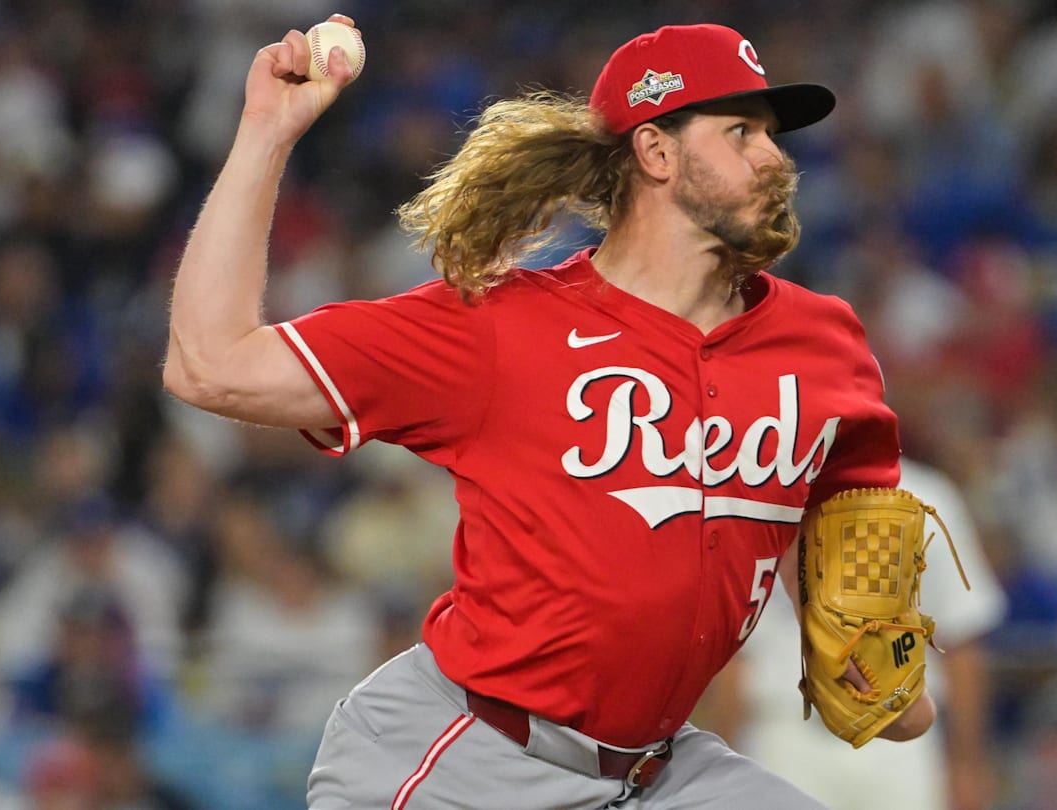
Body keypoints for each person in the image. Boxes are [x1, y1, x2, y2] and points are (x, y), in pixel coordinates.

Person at [163, 15, 933, 809]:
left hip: (657, 772)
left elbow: (857, 588)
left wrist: (879, 662)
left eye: (772, 135)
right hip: (467, 755)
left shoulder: (823, 344)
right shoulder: (500, 328)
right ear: (656, 151)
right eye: (741, 132)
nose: (776, 157)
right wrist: (265, 132)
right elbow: (210, 363)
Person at [701, 456, 1007, 810]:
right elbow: (738, 651)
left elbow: (961, 641)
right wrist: (724, 756)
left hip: (898, 741)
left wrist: (967, 764)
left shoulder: (927, 494)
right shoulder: (766, 495)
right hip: (787, 734)